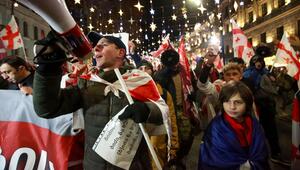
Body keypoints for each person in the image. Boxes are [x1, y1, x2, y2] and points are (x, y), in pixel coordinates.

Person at [32, 31, 168, 169]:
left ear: (120, 53)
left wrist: (147, 110)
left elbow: (163, 111)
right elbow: (47, 109)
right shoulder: (86, 83)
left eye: (103, 45)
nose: (96, 48)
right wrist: (47, 68)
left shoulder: (139, 79)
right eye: (96, 46)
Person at [198, 81, 269, 169]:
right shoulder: (215, 128)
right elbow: (211, 160)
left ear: (247, 103)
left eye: (238, 102)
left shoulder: (255, 125)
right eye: (227, 101)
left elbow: (261, 154)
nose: (232, 107)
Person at [138, 59, 180, 169]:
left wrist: (174, 146)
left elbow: (172, 121)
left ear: (153, 71)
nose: (144, 71)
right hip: (139, 151)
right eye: (140, 68)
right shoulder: (131, 95)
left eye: (147, 68)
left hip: (159, 150)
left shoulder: (164, 95)